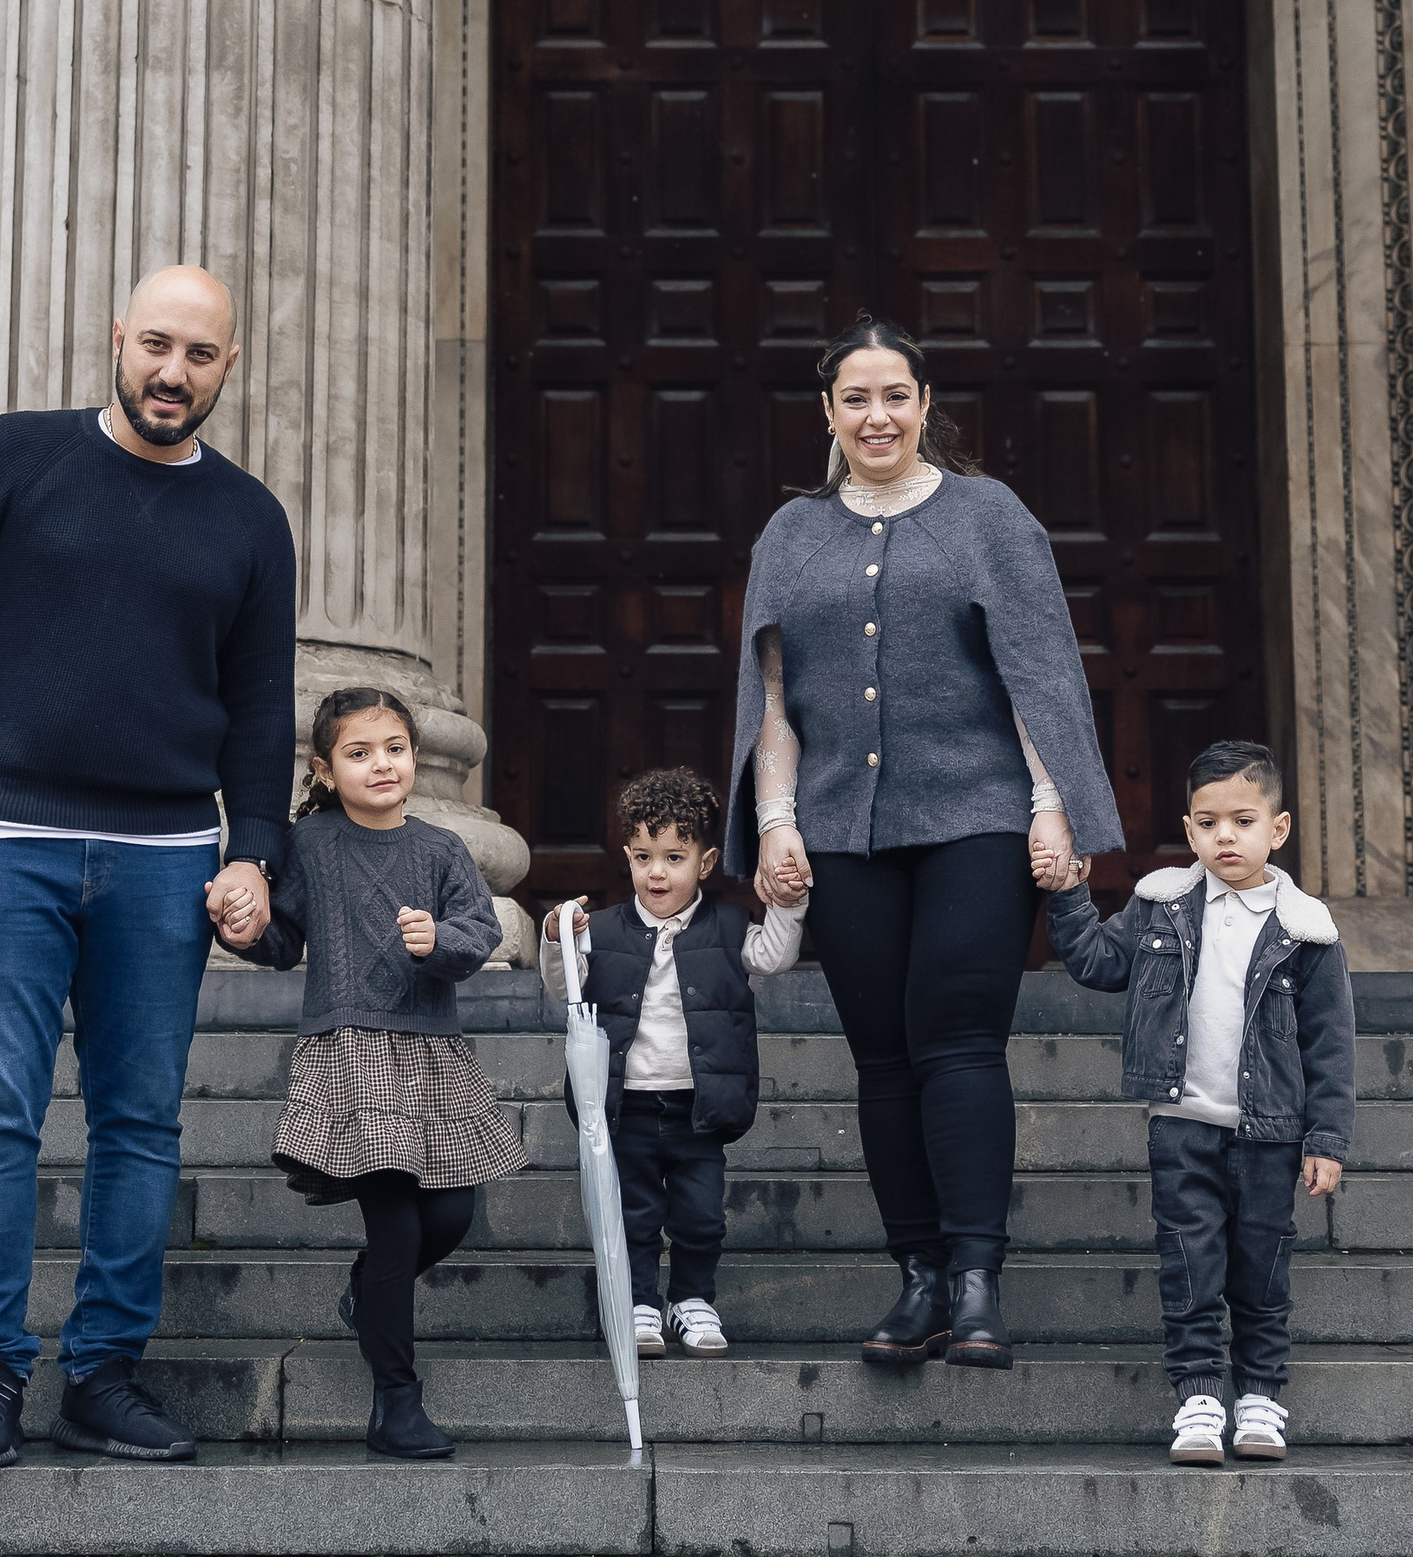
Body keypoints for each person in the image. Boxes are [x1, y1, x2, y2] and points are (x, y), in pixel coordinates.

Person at [0, 264, 295, 1475]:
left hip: (163, 856)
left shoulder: (250, 519)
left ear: (227, 367)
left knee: (139, 1122)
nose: (172, 373)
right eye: (156, 345)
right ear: (116, 340)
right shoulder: (13, 457)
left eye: (199, 355)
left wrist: (254, 847)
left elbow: (260, 710)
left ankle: (102, 1374)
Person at [726, 317, 1122, 1371]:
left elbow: (1035, 670)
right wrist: (774, 824)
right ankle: (918, 1279)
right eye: (854, 399)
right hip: (841, 832)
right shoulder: (790, 535)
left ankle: (978, 1279)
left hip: (978, 819)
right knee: (884, 1059)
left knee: (955, 1040)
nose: (876, 416)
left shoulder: (987, 515)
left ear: (923, 402)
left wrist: (1052, 804)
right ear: (827, 413)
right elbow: (772, 696)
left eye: (894, 395)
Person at [219, 687, 520, 1462]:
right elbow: (283, 938)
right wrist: (246, 929)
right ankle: (396, 1401)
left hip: (431, 1053)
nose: (381, 764)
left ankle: (365, 1294)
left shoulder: (442, 848)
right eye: (359, 752)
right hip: (353, 1051)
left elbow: (481, 931)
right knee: (394, 1222)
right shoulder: (310, 845)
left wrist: (439, 938)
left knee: (448, 1217)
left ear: (415, 757)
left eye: (394, 748)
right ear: (325, 767)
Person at [1046, 737, 1355, 1464]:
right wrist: (1067, 892)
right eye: (1208, 822)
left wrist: (1326, 1139)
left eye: (1243, 821)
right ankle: (1197, 1395)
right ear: (1188, 831)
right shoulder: (1163, 906)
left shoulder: (1307, 932)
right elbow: (1094, 963)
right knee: (1188, 1264)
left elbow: (1331, 1046)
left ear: (1276, 830)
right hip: (1181, 1127)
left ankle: (1259, 1396)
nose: (1226, 836)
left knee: (1260, 1268)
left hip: (1271, 1134)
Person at [541, 766, 807, 1361]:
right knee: (633, 1211)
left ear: (706, 863)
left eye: (673, 857)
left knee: (700, 1214)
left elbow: (773, 957)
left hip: (697, 1103)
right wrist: (558, 938)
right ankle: (640, 1300)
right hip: (627, 1100)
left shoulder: (728, 926)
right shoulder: (603, 930)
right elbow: (568, 990)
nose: (656, 872)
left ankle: (692, 1299)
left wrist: (788, 904)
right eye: (642, 857)